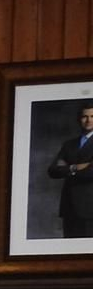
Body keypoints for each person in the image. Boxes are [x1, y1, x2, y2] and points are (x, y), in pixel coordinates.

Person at [47, 102, 93, 238]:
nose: (88, 120)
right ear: (79, 119)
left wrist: (67, 168)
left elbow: (91, 173)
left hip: (90, 208)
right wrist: (75, 167)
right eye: (84, 116)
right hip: (69, 207)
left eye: (92, 116)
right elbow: (53, 170)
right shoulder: (69, 144)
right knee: (69, 247)